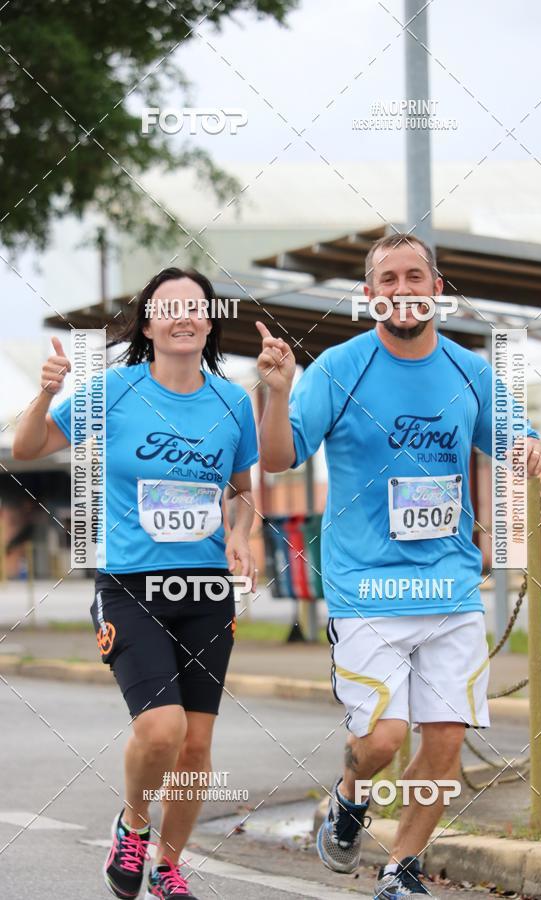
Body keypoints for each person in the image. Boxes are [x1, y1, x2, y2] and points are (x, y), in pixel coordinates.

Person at [255, 234, 541, 898]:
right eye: (387, 279)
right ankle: (350, 794)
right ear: (369, 295)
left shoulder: (469, 371)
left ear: (437, 288)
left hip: (450, 588)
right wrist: (277, 393)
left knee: (444, 745)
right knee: (383, 740)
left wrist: (528, 448)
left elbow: (515, 435)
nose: (402, 288)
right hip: (366, 589)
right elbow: (278, 458)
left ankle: (402, 867)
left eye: (415, 276)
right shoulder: (338, 367)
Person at [13, 267, 258, 900]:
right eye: (168, 308)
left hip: (206, 591)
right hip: (130, 584)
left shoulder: (233, 402)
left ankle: (169, 866)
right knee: (161, 729)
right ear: (147, 325)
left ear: (210, 321)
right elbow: (29, 445)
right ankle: (134, 824)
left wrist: (240, 532)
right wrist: (45, 393)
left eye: (195, 307)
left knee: (196, 745)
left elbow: (242, 491)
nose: (183, 317)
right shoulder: (111, 391)